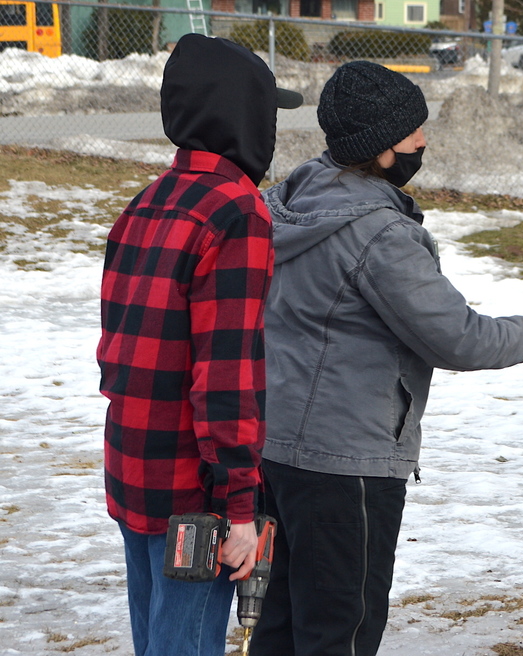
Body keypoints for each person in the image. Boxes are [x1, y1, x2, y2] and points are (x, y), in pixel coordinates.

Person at [249, 61, 523, 656]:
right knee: (339, 634)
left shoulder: (290, 202)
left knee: (279, 626)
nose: (423, 141)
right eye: (412, 132)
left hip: (275, 450)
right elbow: (457, 338)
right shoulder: (380, 235)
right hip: (345, 465)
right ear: (378, 148)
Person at [96, 33, 302, 656]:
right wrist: (238, 505)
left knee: (156, 640)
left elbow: (119, 346)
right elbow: (226, 373)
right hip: (195, 493)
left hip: (132, 466)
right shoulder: (237, 213)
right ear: (245, 114)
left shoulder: (147, 201)